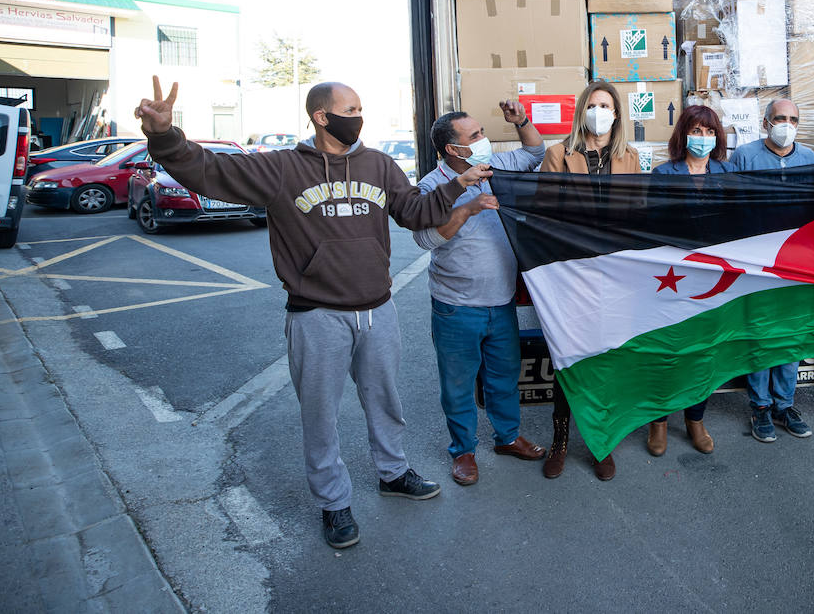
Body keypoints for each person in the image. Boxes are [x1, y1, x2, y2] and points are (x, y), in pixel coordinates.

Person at [135, 77, 480, 550]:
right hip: (316, 315)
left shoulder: (378, 164)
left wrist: (457, 186)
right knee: (320, 415)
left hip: (378, 310)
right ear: (322, 116)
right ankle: (333, 502)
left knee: (385, 402)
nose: (359, 117)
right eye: (350, 109)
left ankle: (393, 472)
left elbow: (415, 213)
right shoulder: (281, 169)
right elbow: (209, 170)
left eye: (360, 109)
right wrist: (165, 136)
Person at [413, 102, 547, 489]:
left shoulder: (494, 169)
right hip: (456, 306)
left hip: (500, 300)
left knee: (503, 376)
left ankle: (507, 438)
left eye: (482, 132)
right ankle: (463, 452)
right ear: (454, 150)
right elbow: (424, 239)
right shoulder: (430, 187)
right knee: (458, 384)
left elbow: (536, 153)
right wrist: (466, 209)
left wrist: (520, 121)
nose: (484, 140)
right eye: (475, 137)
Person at [538, 80, 643, 481]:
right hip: (571, 274)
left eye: (607, 105)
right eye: (593, 104)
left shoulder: (629, 157)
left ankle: (602, 440)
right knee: (567, 358)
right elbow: (543, 215)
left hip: (616, 276)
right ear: (582, 110)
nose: (600, 111)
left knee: (606, 359)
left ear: (617, 115)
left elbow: (638, 214)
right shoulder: (556, 154)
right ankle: (561, 438)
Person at [647, 104, 734, 455]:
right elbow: (652, 223)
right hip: (672, 277)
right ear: (683, 135)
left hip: (712, 278)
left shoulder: (727, 174)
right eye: (696, 131)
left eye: (708, 132)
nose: (702, 138)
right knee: (668, 350)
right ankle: (659, 420)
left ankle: (695, 419)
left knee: (704, 352)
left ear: (718, 137)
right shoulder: (663, 173)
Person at [730, 98, 814, 442]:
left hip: (795, 262)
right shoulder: (745, 156)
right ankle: (760, 407)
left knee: (790, 335)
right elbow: (732, 207)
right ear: (765, 123)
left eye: (793, 118)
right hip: (756, 262)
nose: (786, 124)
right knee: (761, 333)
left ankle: (784, 404)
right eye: (779, 118)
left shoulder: (810, 159)